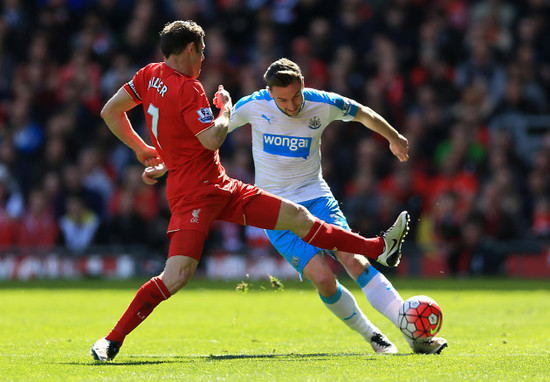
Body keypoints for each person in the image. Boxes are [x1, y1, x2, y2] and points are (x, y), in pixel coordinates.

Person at [90, 21, 409, 362]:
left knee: (298, 217)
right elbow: (213, 137)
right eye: (202, 51)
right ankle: (111, 340)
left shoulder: (146, 74)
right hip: (194, 195)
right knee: (177, 275)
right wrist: (224, 107)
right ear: (190, 50)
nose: (203, 59)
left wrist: (142, 150)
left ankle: (378, 247)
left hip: (220, 185)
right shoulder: (189, 88)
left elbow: (111, 111)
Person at [228, 58, 447, 354]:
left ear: (303, 85)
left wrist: (393, 137)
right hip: (276, 210)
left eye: (295, 96)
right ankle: (372, 335)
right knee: (323, 279)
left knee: (354, 260)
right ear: (269, 93)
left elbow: (363, 113)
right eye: (282, 100)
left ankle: (414, 336)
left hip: (315, 197)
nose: (291, 105)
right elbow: (212, 134)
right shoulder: (251, 106)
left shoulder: (322, 103)